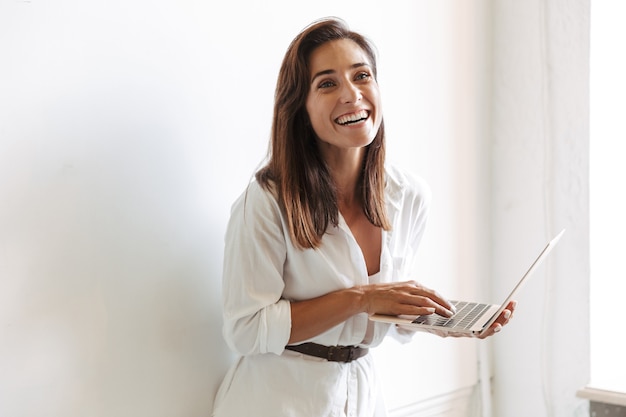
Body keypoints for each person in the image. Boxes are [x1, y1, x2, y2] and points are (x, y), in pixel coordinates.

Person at [211, 17, 516, 417]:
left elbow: (382, 313)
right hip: (276, 400)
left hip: (362, 395)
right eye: (327, 83)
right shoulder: (267, 201)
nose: (351, 94)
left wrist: (439, 316)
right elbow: (246, 329)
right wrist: (362, 298)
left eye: (362, 76)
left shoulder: (408, 196)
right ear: (299, 108)